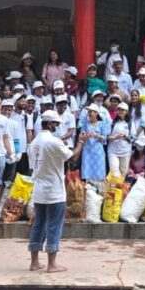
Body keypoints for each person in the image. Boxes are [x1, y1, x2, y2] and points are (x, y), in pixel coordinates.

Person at [27, 110, 87, 273]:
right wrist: (81, 142)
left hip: (39, 189)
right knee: (54, 225)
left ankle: (34, 262)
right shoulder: (53, 142)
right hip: (54, 190)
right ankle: (51, 264)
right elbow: (72, 157)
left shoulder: (33, 143)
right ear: (50, 124)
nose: (57, 127)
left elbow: (33, 167)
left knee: (38, 224)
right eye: (56, 124)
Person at [80, 104, 108, 184]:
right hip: (87, 150)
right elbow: (82, 135)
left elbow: (105, 138)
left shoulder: (102, 124)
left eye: (91, 111)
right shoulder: (85, 123)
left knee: (99, 170)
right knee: (87, 170)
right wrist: (85, 135)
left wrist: (97, 135)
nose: (89, 113)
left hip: (98, 150)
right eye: (88, 112)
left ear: (96, 113)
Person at [107, 102, 133, 178]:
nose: (120, 111)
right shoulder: (112, 122)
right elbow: (107, 136)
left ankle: (121, 186)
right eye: (119, 110)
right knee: (114, 172)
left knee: (123, 172)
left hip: (125, 151)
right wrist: (115, 138)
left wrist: (125, 137)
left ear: (126, 111)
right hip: (113, 151)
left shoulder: (130, 123)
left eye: (122, 110)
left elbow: (134, 137)